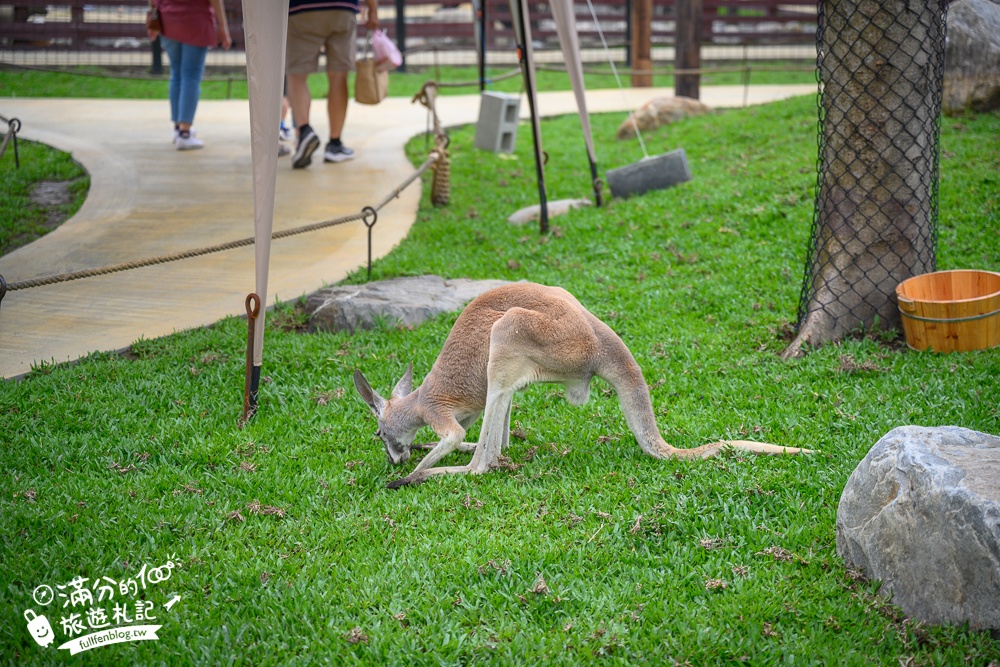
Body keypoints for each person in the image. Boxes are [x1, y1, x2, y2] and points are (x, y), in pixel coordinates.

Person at [286, 0, 378, 169]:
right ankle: (335, 145)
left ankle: (304, 131)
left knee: (296, 76)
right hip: (342, 8)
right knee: (338, 76)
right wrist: (373, 9)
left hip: (301, 10)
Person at [148, 0, 231, 151]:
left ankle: (178, 129)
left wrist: (152, 14)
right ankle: (185, 133)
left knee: (177, 74)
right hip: (196, 20)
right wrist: (223, 26)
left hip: (168, 19)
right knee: (191, 75)